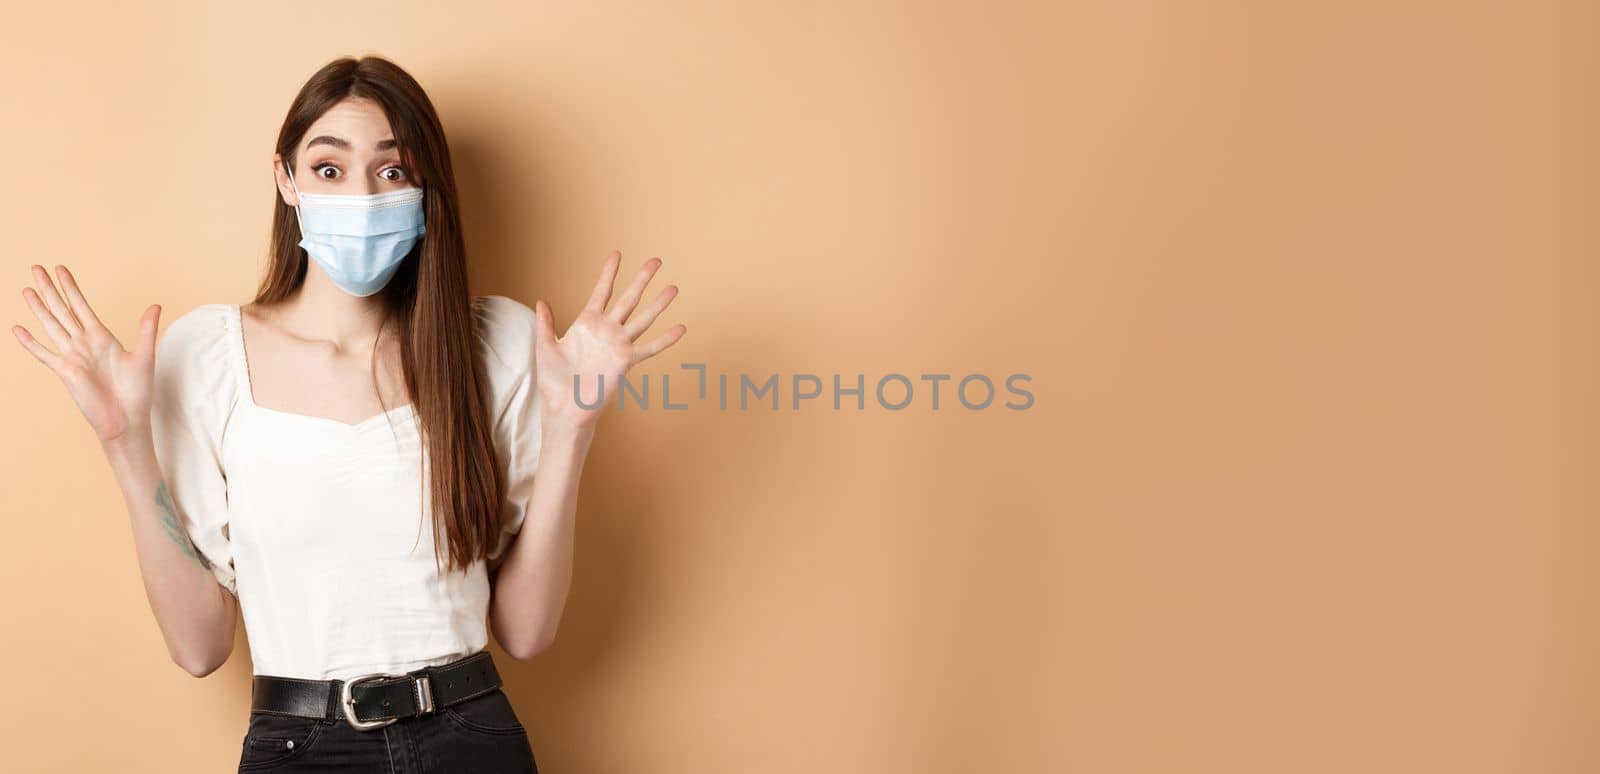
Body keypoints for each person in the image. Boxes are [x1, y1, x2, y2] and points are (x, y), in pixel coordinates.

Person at [10, 55, 684, 773]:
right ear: (286, 181)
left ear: (427, 192)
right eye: (330, 169)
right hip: (297, 746)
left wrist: (572, 428)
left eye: (392, 172)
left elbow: (526, 631)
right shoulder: (206, 357)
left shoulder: (496, 345)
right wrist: (124, 441)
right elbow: (198, 647)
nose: (362, 195)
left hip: (470, 737)